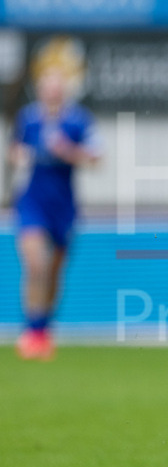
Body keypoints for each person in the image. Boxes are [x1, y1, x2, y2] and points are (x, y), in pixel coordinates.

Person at [9, 37, 101, 361]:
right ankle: (31, 332)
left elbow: (96, 158)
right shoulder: (28, 118)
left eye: (57, 84)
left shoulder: (78, 120)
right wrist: (18, 156)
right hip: (32, 200)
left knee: (55, 271)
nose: (52, 90)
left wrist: (68, 151)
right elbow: (15, 150)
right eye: (47, 85)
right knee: (36, 264)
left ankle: (43, 329)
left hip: (63, 204)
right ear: (40, 88)